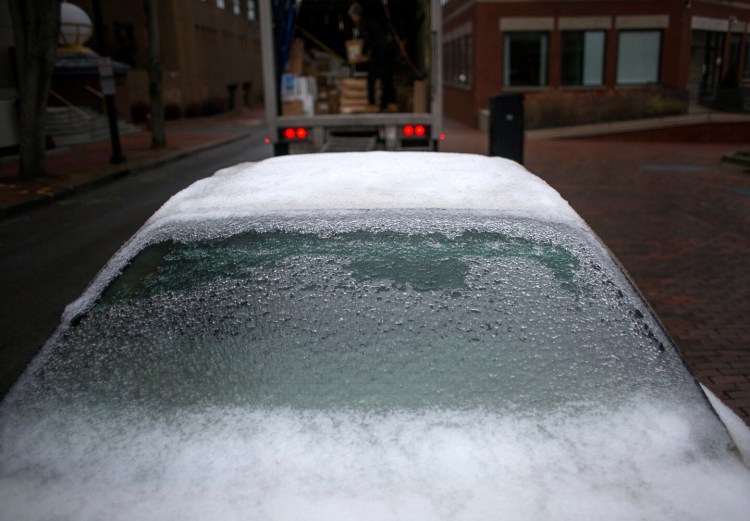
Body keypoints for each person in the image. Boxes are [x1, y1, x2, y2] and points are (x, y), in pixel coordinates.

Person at [347, 2, 396, 111]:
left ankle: (371, 103)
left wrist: (362, 54)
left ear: (356, 15)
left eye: (352, 16)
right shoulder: (372, 21)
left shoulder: (364, 23)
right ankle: (389, 102)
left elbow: (367, 40)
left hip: (380, 52)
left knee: (372, 78)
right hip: (388, 50)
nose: (353, 19)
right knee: (386, 77)